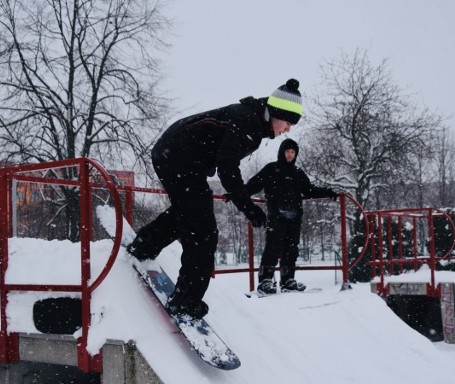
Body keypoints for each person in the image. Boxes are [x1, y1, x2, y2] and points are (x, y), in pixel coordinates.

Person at [126, 79, 305, 319]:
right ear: (277, 113)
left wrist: (243, 198)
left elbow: (226, 164)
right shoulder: (249, 123)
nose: (288, 129)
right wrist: (248, 207)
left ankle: (142, 248)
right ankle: (185, 303)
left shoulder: (252, 120)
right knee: (204, 232)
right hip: (179, 157)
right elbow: (227, 167)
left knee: (188, 214)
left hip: (177, 155)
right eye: (288, 122)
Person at [245, 138, 338, 295]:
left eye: (293, 152)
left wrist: (327, 192)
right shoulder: (271, 169)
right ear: (282, 152)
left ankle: (288, 280)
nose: (290, 155)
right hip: (276, 217)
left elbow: (309, 190)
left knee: (291, 250)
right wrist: (237, 193)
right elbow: (253, 185)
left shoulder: (297, 173)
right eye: (287, 151)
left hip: (294, 218)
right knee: (272, 249)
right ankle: (265, 281)